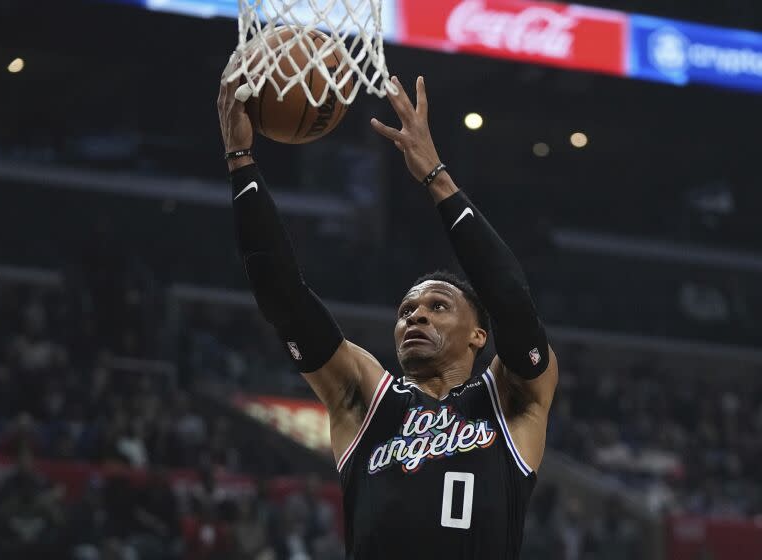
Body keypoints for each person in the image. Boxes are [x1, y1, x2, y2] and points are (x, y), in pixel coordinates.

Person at [218, 66, 559, 559]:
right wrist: (241, 160)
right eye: (406, 311)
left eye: (437, 306)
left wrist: (436, 178)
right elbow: (284, 298)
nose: (415, 317)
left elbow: (510, 296)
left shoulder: (511, 400)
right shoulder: (366, 401)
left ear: (479, 336)